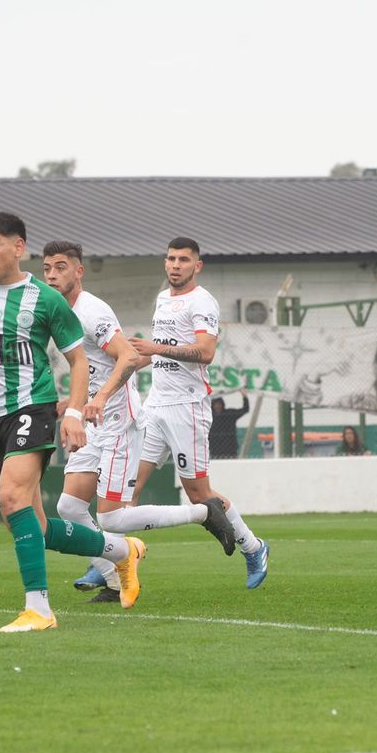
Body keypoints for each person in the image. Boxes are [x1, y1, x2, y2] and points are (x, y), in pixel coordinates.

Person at [0, 213, 144, 632]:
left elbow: (78, 359)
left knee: (13, 496)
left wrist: (71, 413)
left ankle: (40, 609)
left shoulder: (44, 300)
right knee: (34, 524)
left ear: (18, 247)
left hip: (34, 406)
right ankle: (121, 550)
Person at [42, 241, 235, 603]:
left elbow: (128, 356)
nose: (52, 275)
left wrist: (99, 398)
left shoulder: (92, 311)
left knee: (112, 519)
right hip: (92, 418)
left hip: (118, 421)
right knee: (68, 507)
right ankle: (114, 577)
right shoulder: (56, 311)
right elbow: (92, 368)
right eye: (47, 268)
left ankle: (201, 512)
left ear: (78, 271)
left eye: (60, 267)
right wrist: (74, 403)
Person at [127, 238, 268, 588]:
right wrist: (127, 364)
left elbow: (205, 353)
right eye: (171, 259)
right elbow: (155, 354)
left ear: (197, 266)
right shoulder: (163, 299)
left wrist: (155, 347)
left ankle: (253, 547)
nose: (176, 265)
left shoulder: (203, 301)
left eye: (184, 260)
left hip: (187, 407)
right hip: (156, 404)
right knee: (126, 486)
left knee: (199, 493)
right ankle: (113, 563)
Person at [208, 391, 250, 460]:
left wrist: (244, 396)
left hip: (230, 449)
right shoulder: (210, 416)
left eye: (219, 404)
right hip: (215, 450)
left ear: (222, 405)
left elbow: (245, 409)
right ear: (213, 405)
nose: (217, 406)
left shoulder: (229, 414)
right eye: (215, 404)